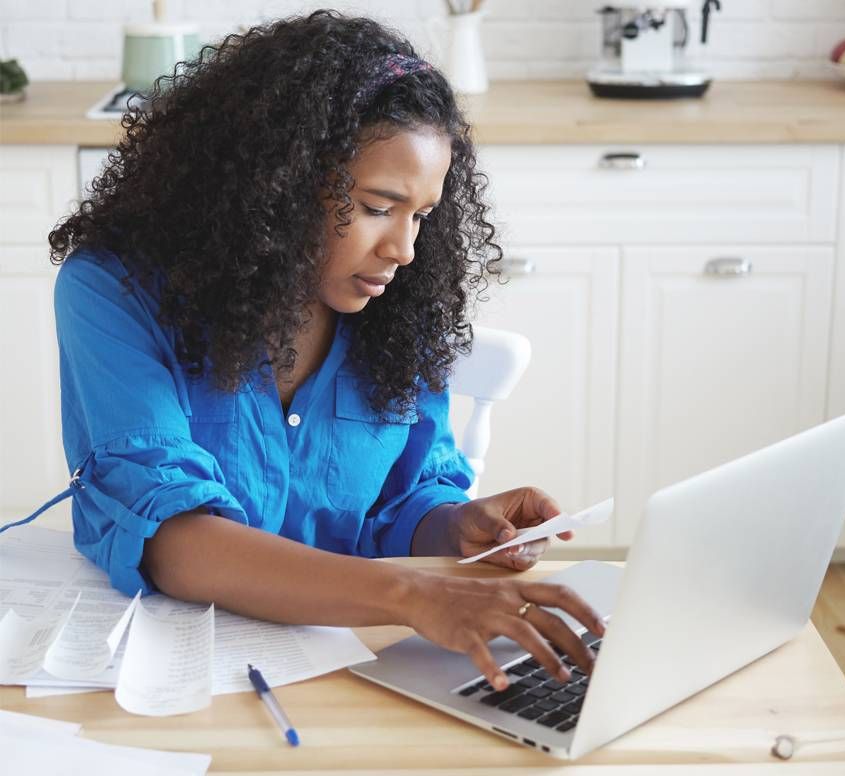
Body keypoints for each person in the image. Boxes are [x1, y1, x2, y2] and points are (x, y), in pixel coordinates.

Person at [44, 10, 603, 692]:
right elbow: (174, 542)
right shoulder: (113, 292)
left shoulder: (395, 309)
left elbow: (401, 506)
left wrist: (455, 526)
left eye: (421, 214)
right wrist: (411, 594)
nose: (404, 250)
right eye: (377, 206)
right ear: (273, 184)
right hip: (166, 674)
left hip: (354, 665)